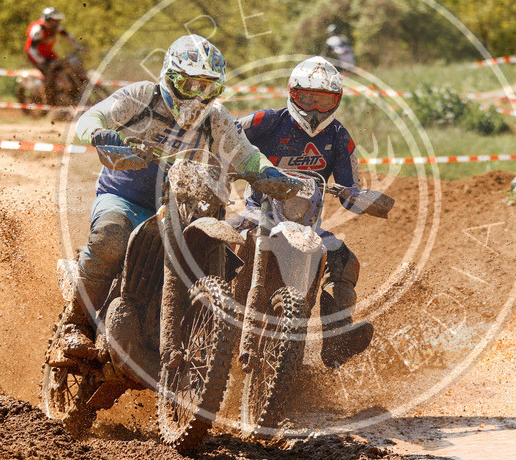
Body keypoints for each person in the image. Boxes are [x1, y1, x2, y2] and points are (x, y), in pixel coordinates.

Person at [48, 34, 301, 366]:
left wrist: (269, 173)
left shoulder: (216, 118)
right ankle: (75, 324)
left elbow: (247, 156)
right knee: (111, 239)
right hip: (125, 199)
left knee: (224, 257)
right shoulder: (142, 97)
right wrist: (100, 135)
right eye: (188, 83)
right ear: (169, 76)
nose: (197, 95)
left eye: (207, 87)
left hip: (187, 209)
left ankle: (205, 344)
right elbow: (91, 117)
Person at [233, 56, 374, 369]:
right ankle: (196, 317)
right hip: (257, 214)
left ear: (335, 101)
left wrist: (361, 197)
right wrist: (222, 164)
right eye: (308, 98)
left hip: (306, 225)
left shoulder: (339, 137)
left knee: (344, 260)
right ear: (293, 93)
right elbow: (224, 136)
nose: (314, 108)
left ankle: (337, 339)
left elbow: (352, 193)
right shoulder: (266, 122)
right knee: (219, 241)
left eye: (324, 100)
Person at [24, 7, 82, 104]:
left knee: (61, 68)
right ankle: (47, 95)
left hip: (48, 53)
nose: (56, 23)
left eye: (57, 21)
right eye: (54, 21)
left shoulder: (55, 27)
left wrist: (78, 46)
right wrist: (43, 62)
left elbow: (67, 35)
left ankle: (62, 91)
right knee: (49, 73)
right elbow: (31, 50)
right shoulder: (38, 30)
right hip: (35, 56)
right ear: (47, 20)